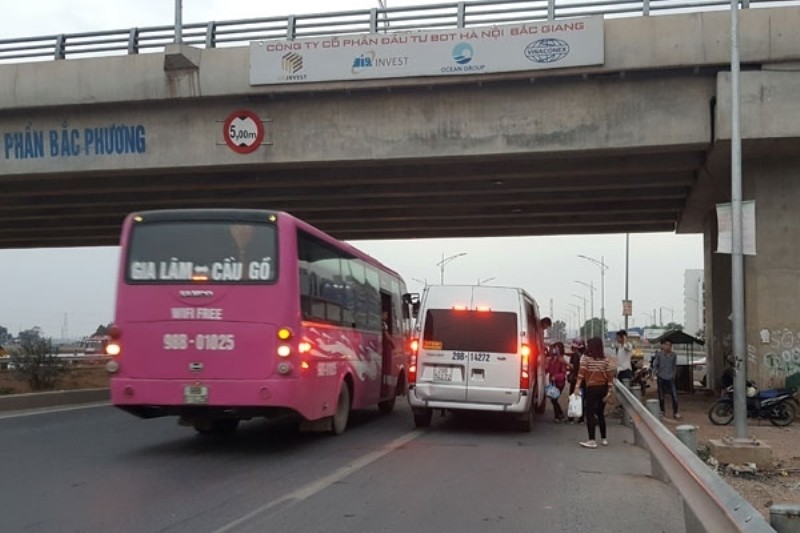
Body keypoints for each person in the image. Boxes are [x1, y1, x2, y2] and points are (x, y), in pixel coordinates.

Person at [573, 336, 615, 448]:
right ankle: (604, 438)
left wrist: (576, 387)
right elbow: (610, 376)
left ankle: (591, 440)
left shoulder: (585, 358)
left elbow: (581, 374)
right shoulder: (606, 359)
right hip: (603, 388)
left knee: (590, 413)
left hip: (592, 388)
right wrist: (609, 392)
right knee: (600, 413)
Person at [652, 339, 681, 419]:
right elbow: (655, 365)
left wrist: (673, 375)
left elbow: (674, 366)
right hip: (661, 377)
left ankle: (675, 412)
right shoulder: (659, 355)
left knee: (674, 396)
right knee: (661, 396)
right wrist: (654, 373)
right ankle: (662, 411)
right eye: (666, 345)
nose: (668, 347)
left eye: (669, 345)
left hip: (670, 377)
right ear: (663, 346)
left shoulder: (673, 355)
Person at [545, 342, 568, 423]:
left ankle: (557, 416)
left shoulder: (561, 360)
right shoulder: (552, 359)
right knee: (553, 399)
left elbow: (563, 373)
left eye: (557, 348)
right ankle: (559, 414)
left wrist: (556, 377)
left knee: (554, 399)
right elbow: (548, 369)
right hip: (552, 383)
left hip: (559, 383)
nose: (555, 349)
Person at [567, 339, 585, 423]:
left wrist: (566, 363)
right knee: (581, 398)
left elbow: (573, 367)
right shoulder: (585, 355)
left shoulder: (574, 356)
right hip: (583, 380)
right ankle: (581, 418)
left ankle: (571, 417)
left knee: (573, 398)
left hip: (576, 379)